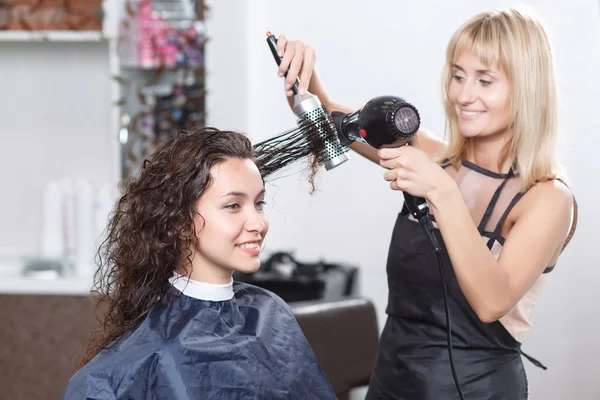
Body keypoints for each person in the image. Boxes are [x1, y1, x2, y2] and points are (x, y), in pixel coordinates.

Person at [275, 7, 578, 399]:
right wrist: (304, 82)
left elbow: (492, 302)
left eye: (485, 81)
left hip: (477, 391)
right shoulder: (434, 156)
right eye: (458, 75)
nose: (463, 95)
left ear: (528, 88)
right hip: (390, 382)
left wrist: (443, 192)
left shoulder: (547, 199)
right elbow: (331, 126)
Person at [62, 127, 337, 399]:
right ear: (180, 223)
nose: (258, 223)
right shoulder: (136, 364)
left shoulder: (271, 312)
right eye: (233, 206)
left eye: (259, 203)